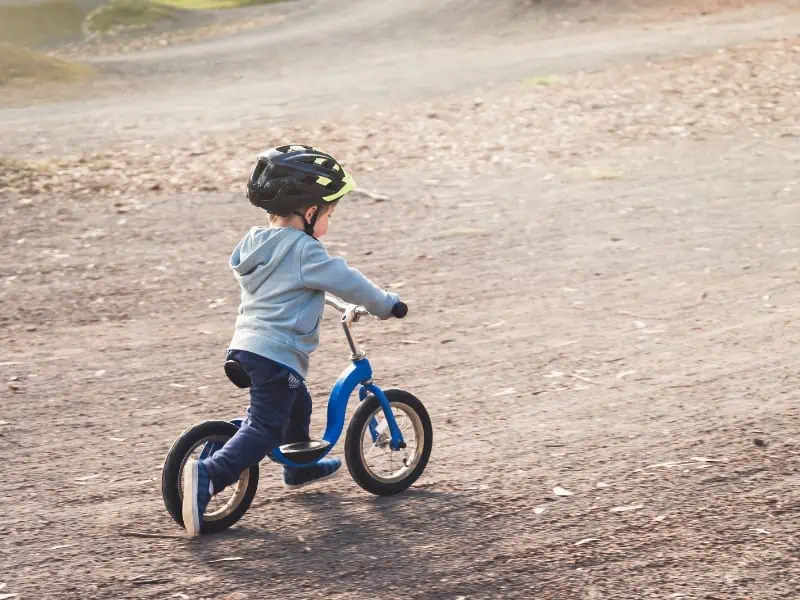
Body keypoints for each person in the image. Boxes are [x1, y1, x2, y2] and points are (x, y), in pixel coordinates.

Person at [182, 144, 403, 537]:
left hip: (245, 345)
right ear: (310, 211)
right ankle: (209, 476)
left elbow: (284, 287)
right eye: (329, 213)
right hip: (275, 352)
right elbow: (348, 280)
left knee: (296, 399)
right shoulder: (305, 251)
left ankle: (298, 467)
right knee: (266, 426)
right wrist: (386, 304)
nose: (329, 222)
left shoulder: (256, 244)